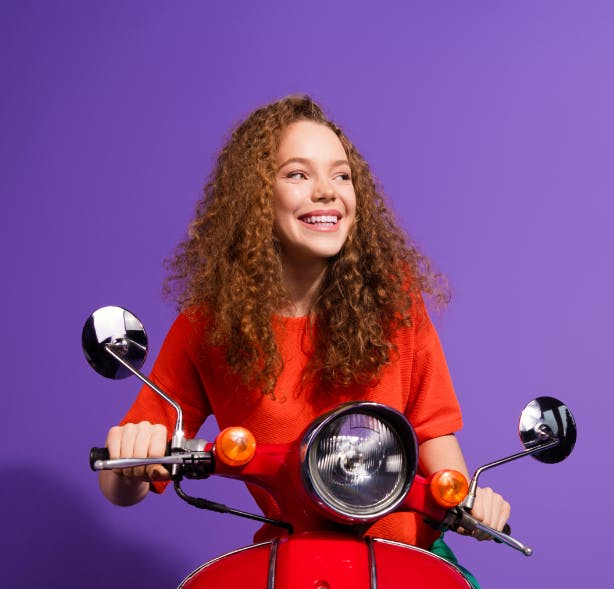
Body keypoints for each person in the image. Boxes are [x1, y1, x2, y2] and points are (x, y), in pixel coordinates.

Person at [99, 95, 509, 548]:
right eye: (298, 174)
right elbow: (119, 486)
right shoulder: (209, 326)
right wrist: (132, 457)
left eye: (342, 175)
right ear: (256, 197)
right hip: (294, 562)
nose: (327, 191)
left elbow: (432, 431)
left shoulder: (393, 299)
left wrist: (466, 500)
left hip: (407, 560)